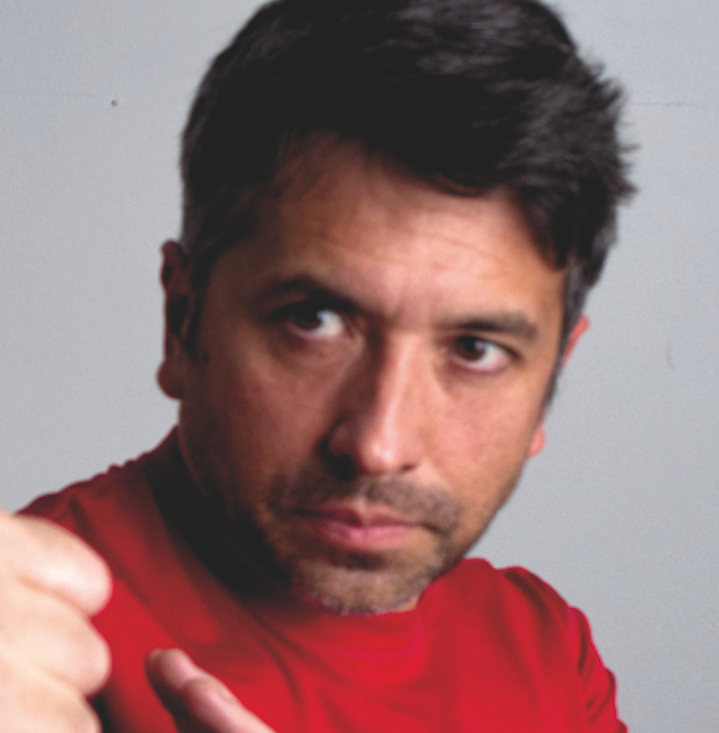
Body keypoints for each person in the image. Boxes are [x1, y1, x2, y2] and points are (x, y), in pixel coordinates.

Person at [1, 0, 634, 731]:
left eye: (474, 350)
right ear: (182, 321)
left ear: (550, 382)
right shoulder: (32, 635)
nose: (378, 445)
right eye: (314, 321)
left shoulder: (547, 652)